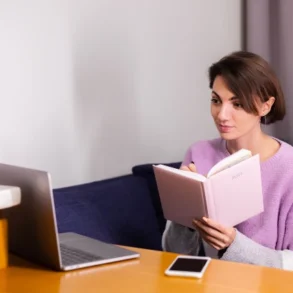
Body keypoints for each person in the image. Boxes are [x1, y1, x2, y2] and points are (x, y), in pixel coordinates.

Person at [162, 51, 293, 271]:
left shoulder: (288, 168)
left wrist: (234, 245)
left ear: (266, 106)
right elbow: (175, 254)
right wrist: (183, 213)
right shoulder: (199, 153)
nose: (222, 115)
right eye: (216, 100)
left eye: (237, 104)